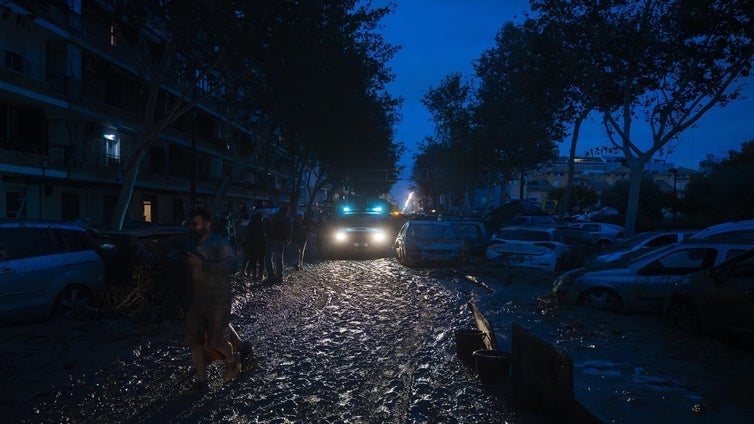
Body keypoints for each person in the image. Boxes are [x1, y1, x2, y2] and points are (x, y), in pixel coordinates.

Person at [182, 208, 241, 396]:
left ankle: (232, 361)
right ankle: (201, 382)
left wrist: (204, 265)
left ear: (207, 224)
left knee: (216, 340)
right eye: (189, 224)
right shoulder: (189, 244)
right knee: (194, 341)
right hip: (196, 299)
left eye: (196, 223)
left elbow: (232, 266)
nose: (192, 227)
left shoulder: (219, 243)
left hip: (218, 297)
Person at [264, 206, 292, 283]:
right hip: (280, 240)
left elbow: (266, 226)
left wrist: (267, 234)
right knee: (279, 258)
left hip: (271, 239)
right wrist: (287, 239)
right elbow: (289, 230)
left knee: (268, 258)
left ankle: (271, 275)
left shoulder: (273, 216)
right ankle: (279, 276)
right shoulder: (288, 218)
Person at [242, 212, 266, 279]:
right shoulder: (262, 224)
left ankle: (254, 274)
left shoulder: (251, 224)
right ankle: (260, 275)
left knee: (253, 260)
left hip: (253, 244)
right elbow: (265, 234)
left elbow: (248, 234)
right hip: (261, 244)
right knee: (261, 261)